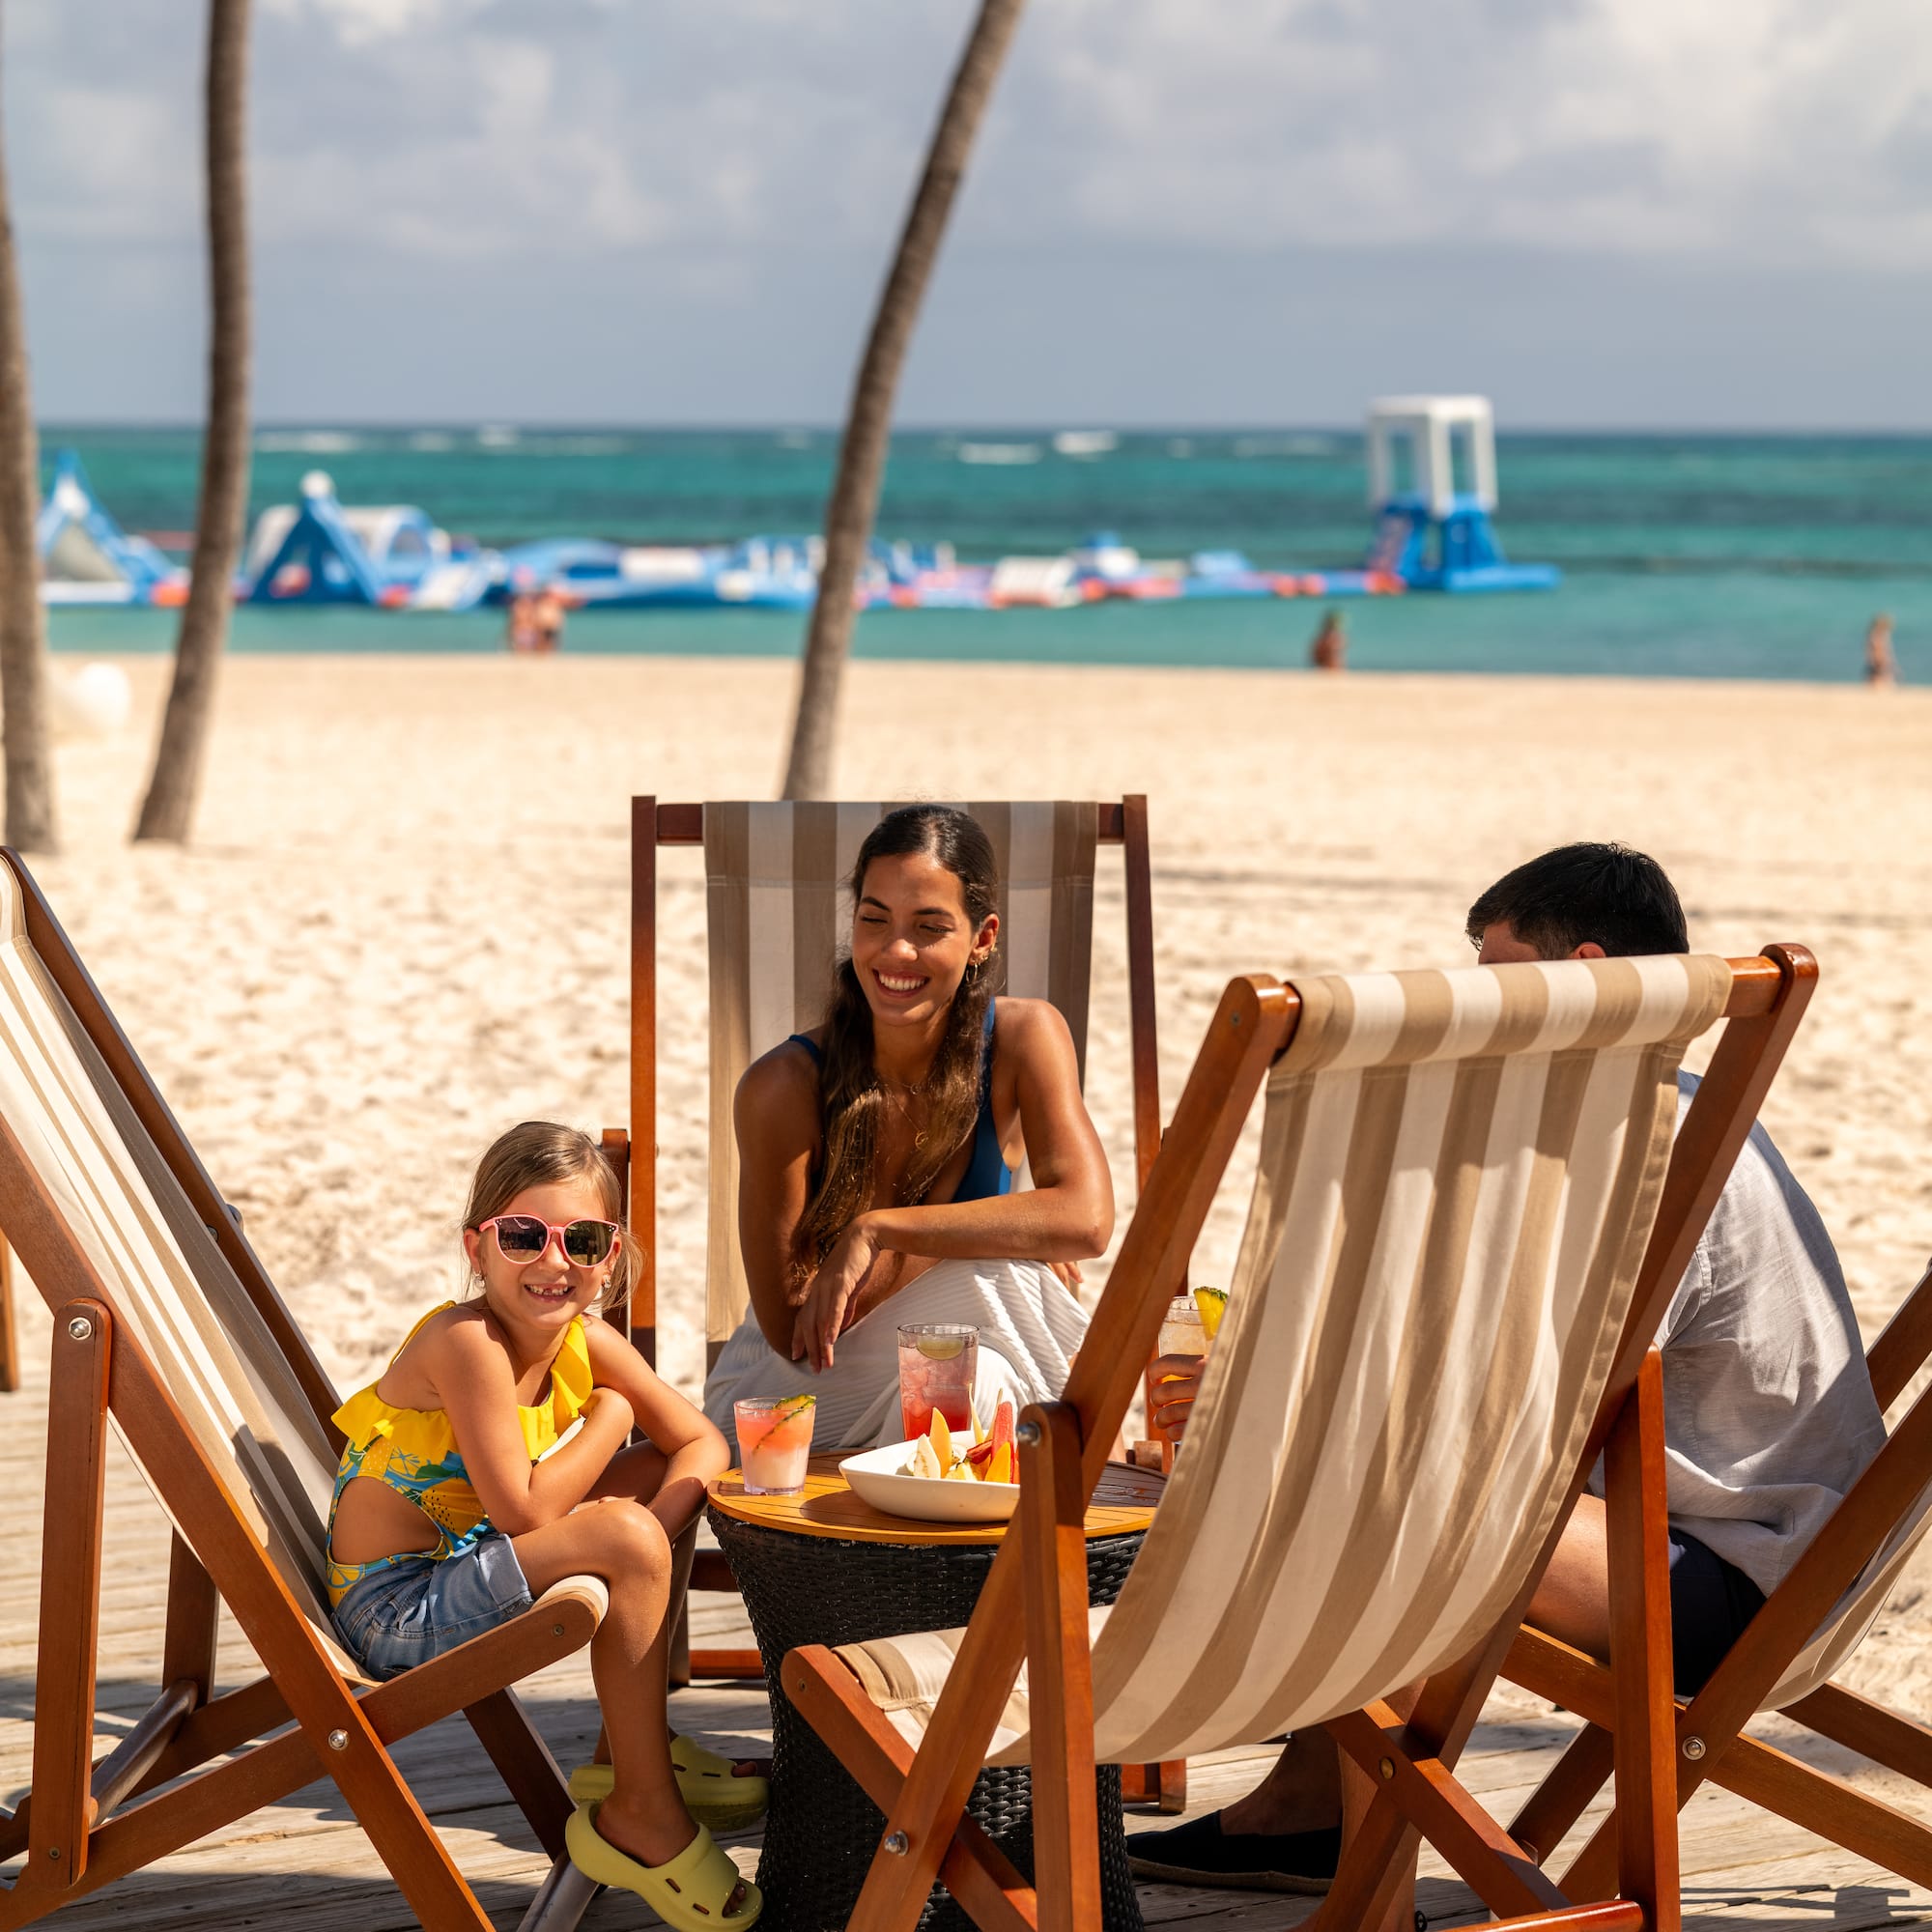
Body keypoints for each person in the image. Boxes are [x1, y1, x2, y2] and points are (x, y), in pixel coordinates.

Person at [1129, 841, 1887, 1894]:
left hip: (1733, 1584)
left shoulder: (1653, 1142)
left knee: (1365, 1491)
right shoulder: (1675, 1103)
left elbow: (1552, 1401)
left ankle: (1351, 1859)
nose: (1484, 1011)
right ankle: (1310, 1804)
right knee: (1359, 1458)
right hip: (1761, 1550)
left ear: (1579, 972)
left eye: (1497, 976)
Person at [326, 1121, 760, 1926]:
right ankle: (642, 1807)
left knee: (660, 1486)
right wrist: (610, 1418)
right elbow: (521, 1511)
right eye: (524, 1236)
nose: (554, 1262)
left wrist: (650, 1538)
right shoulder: (467, 1344)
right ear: (476, 1248)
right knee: (628, 1522)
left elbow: (703, 1441)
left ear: (610, 1256)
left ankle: (632, 1754)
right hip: (395, 1610)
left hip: (466, 1563)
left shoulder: (584, 1338)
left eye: (582, 1240)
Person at [702, 804, 1116, 1450]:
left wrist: (876, 1232)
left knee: (979, 1377)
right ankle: (1092, 1488)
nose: (896, 950)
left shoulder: (1024, 1038)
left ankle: (920, 1548)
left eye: (929, 927)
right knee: (1005, 1280)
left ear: (983, 938)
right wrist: (994, 1237)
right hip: (787, 1401)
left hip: (940, 1392)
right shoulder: (783, 1086)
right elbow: (794, 1330)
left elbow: (1087, 1220)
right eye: (874, 920)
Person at [1866, 613, 1898, 688]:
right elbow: (1875, 650)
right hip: (1879, 660)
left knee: (1879, 678)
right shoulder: (1875, 636)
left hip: (1880, 660)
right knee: (1877, 678)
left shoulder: (1879, 635)